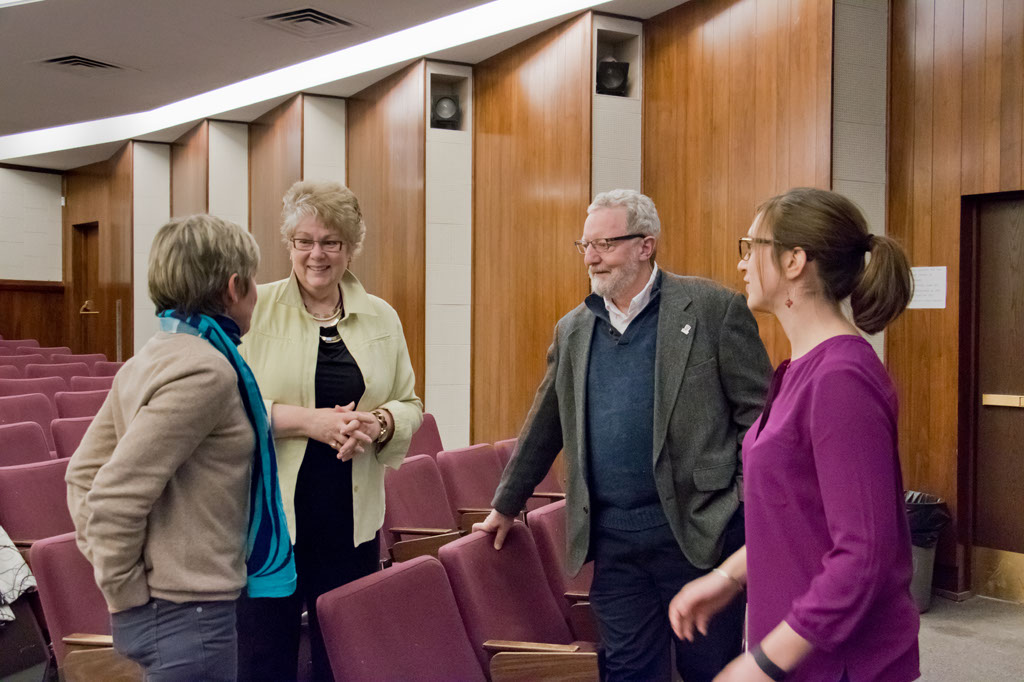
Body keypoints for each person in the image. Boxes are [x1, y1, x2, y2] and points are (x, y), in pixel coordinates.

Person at [475, 189, 772, 681]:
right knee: (629, 673)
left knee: (709, 671)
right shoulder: (574, 329)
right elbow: (545, 422)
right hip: (614, 544)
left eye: (605, 244)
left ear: (645, 246)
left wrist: (739, 498)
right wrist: (506, 504)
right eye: (585, 245)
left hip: (700, 533)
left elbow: (760, 417)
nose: (591, 257)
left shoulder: (713, 309)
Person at [669, 187, 920, 681]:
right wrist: (728, 576)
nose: (742, 264)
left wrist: (762, 665)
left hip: (839, 663)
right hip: (798, 651)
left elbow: (863, 554)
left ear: (794, 261)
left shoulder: (840, 378)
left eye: (751, 246)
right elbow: (796, 516)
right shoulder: (797, 370)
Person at [66, 215, 296, 681]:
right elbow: (109, 493)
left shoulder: (154, 354)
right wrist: (128, 591)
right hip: (187, 616)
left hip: (174, 612)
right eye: (252, 281)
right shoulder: (206, 371)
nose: (256, 293)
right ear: (234, 288)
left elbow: (82, 475)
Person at [237, 180, 423, 682]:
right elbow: (225, 408)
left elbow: (409, 403)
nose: (316, 254)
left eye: (331, 242)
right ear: (289, 244)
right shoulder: (253, 308)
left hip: (351, 519)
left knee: (340, 659)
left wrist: (378, 422)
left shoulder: (381, 314)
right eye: (304, 241)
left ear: (351, 247)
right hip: (269, 524)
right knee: (263, 659)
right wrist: (312, 421)